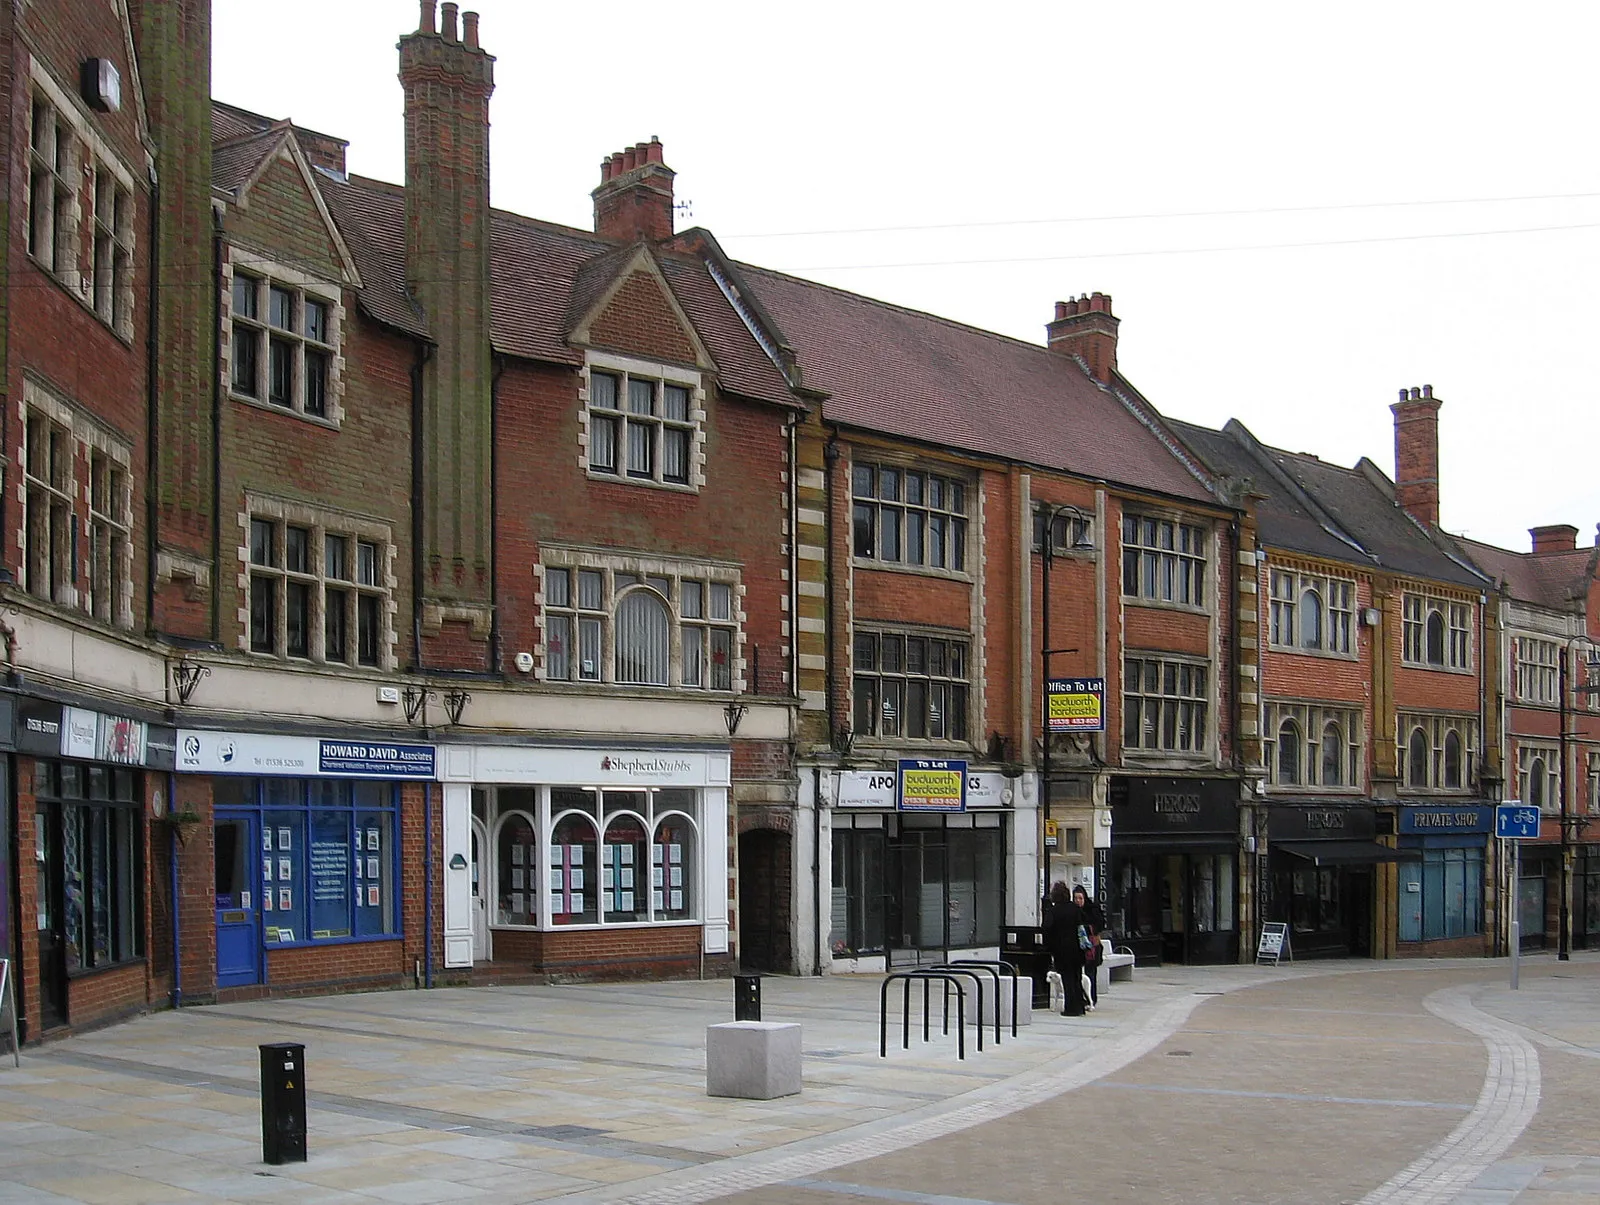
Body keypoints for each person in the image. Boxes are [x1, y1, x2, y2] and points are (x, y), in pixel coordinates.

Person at [1043, 881, 1088, 1016]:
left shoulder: (1053, 911)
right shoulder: (1075, 909)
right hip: (1077, 949)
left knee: (1067, 979)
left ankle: (1071, 1008)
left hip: (1062, 950)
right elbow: (1082, 926)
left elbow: (1046, 928)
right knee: (1077, 977)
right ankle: (1080, 1005)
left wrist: (1049, 946)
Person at [1074, 884, 1106, 1007]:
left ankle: (1091, 998)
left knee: (1090, 973)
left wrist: (1088, 928)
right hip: (1078, 946)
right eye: (1076, 898)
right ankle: (1081, 998)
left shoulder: (1092, 909)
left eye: (1080, 898)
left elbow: (1100, 924)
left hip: (1092, 946)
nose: (1078, 901)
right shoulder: (1074, 911)